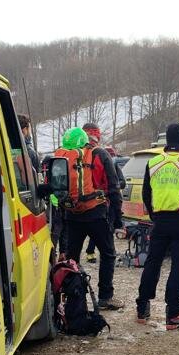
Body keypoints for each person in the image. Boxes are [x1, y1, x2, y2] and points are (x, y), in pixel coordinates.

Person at [136, 122, 179, 330]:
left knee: (152, 263)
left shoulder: (154, 162)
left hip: (159, 221)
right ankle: (173, 314)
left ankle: (142, 309)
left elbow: (146, 194)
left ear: (167, 139)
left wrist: (155, 215)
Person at [54, 126, 124, 310]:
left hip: (72, 215)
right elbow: (114, 187)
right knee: (108, 254)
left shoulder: (60, 157)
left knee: (72, 258)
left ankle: (74, 298)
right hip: (96, 214)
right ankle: (105, 297)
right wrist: (118, 221)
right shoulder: (99, 154)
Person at [86, 146, 126, 264]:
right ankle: (91, 251)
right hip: (101, 202)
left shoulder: (114, 166)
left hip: (111, 201)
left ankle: (106, 252)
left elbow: (122, 182)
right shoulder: (92, 165)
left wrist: (115, 185)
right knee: (100, 229)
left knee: (109, 229)